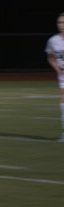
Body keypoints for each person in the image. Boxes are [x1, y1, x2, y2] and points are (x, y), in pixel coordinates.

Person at [45, 12, 64, 142]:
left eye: (63, 22)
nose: (61, 25)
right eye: (59, 22)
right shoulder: (53, 41)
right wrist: (56, 67)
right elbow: (50, 57)